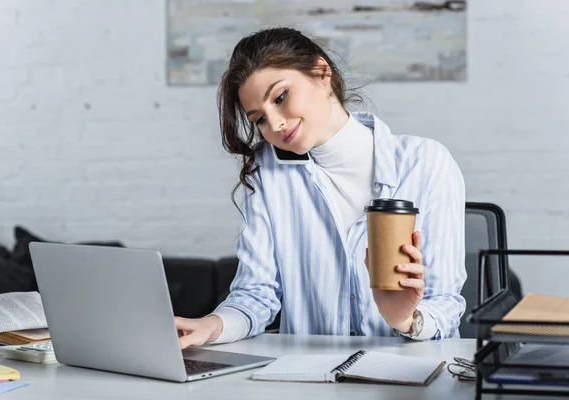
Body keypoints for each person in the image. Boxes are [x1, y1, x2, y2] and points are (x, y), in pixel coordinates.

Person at [175, 27, 466, 349]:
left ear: (321, 72)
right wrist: (209, 326)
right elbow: (256, 294)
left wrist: (405, 320)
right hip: (309, 375)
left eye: (281, 97)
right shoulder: (266, 173)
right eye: (258, 119)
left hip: (411, 374)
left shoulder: (425, 162)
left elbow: (446, 301)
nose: (275, 124)